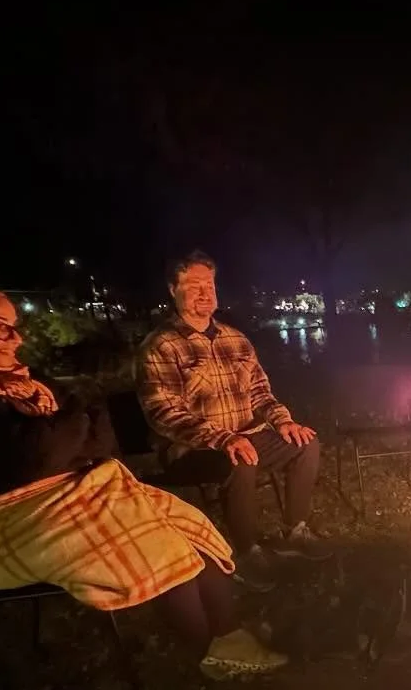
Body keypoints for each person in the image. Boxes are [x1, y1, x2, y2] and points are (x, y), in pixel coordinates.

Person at [0, 277, 285, 678]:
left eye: (13, 327)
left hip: (76, 491)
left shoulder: (21, 383)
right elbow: (32, 458)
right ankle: (212, 654)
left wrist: (65, 431)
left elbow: (95, 437)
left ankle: (228, 631)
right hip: (7, 525)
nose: (14, 339)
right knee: (159, 549)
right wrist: (70, 427)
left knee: (192, 529)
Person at [138, 251, 330, 592]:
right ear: (172, 290)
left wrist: (283, 422)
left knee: (305, 444)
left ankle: (294, 531)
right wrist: (223, 439)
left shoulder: (235, 339)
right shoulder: (160, 347)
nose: (204, 292)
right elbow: (163, 411)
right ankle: (246, 552)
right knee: (240, 460)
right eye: (193, 285)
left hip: (247, 435)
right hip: (191, 448)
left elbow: (260, 392)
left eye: (209, 285)